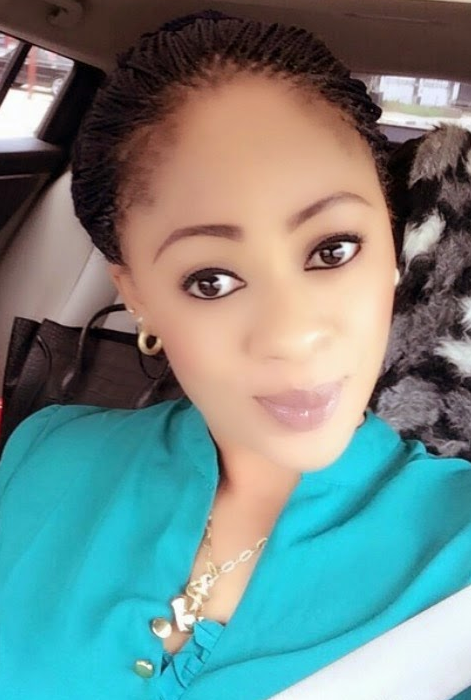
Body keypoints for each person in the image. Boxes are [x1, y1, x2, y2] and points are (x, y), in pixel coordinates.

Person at [0, 8, 470, 700]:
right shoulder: (41, 457)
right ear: (137, 295)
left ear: (391, 253)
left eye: (333, 249)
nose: (291, 334)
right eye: (211, 280)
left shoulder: (457, 560)